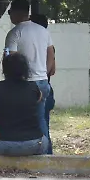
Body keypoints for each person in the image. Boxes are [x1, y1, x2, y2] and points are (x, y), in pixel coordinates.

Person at [4, 0, 55, 154]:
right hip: (42, 82)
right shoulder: (43, 31)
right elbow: (51, 54)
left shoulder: (14, 33)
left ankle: (28, 150)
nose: (10, 16)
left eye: (10, 12)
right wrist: (43, 73)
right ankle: (47, 154)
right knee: (41, 119)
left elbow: (10, 59)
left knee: (18, 119)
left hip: (25, 83)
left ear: (16, 12)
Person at [31, 13, 56, 147]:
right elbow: (53, 69)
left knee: (38, 124)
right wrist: (43, 75)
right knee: (43, 123)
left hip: (34, 87)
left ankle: (44, 151)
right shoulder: (49, 45)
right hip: (47, 87)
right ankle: (47, 152)